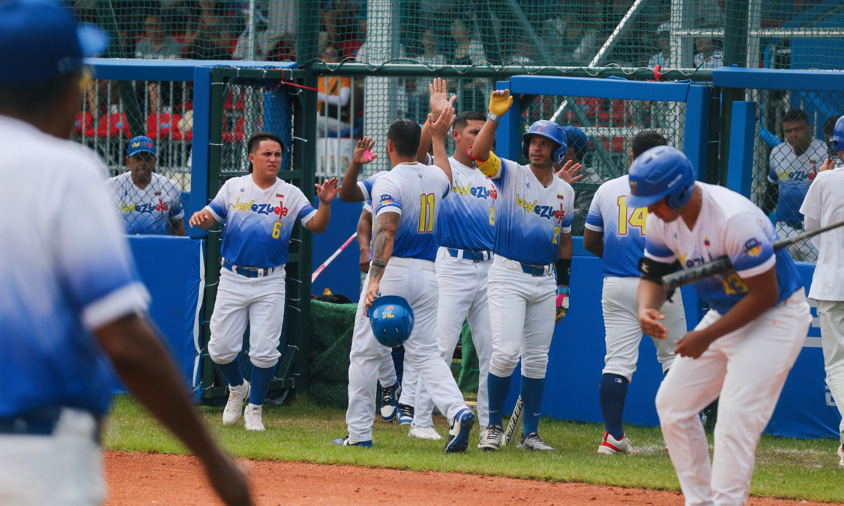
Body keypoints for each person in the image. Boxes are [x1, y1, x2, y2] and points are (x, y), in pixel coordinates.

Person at [0, 1, 252, 504]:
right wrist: (212, 458)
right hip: (35, 457)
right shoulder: (65, 170)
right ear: (64, 86)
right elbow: (125, 342)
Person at [633, 146, 810, 505]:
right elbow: (654, 274)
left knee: (735, 417)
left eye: (656, 200)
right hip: (726, 309)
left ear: (680, 191)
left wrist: (705, 336)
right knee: (673, 404)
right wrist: (645, 308)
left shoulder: (733, 219)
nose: (650, 208)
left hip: (775, 315)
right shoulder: (661, 220)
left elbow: (764, 295)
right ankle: (699, 500)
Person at [336, 108, 477, 452]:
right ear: (419, 146)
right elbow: (347, 193)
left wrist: (374, 282)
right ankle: (457, 411)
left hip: (392, 272)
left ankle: (358, 434)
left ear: (389, 146)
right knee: (427, 354)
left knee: (365, 355)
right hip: (428, 275)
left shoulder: (388, 180)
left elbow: (386, 228)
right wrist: (439, 137)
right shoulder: (434, 177)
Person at [190, 132, 339, 431]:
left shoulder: (292, 193)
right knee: (219, 348)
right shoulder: (234, 187)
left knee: (264, 350)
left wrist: (324, 204)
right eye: (267, 154)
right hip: (232, 276)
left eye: (278, 154)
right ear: (252, 157)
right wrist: (201, 218)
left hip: (270, 280)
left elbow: (318, 227)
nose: (273, 159)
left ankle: (255, 407)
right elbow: (211, 215)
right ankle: (237, 388)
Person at [469, 91, 575, 452]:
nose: (537, 148)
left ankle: (530, 434)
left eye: (546, 144)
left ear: (557, 151)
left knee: (537, 358)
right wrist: (494, 117)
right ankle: (493, 427)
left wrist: (565, 286)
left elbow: (564, 241)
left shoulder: (566, 192)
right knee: (505, 353)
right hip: (507, 272)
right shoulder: (511, 173)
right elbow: (478, 154)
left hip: (545, 280)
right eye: (533, 141)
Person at [583, 131, 687, 455]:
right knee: (674, 358)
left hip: (616, 284)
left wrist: (619, 261)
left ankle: (612, 437)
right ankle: (680, 439)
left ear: (631, 154)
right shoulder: (674, 190)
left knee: (617, 362)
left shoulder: (607, 189)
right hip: (661, 284)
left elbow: (590, 241)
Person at [409, 79, 495, 445]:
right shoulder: (440, 167)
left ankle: (489, 427)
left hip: (490, 268)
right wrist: (435, 118)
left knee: (495, 349)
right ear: (457, 135)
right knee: (440, 345)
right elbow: (415, 154)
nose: (481, 139)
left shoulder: (494, 175)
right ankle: (421, 419)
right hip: (452, 263)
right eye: (474, 132)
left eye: (485, 133)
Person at [800, 115, 844, 468]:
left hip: (833, 284)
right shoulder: (827, 180)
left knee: (839, 366)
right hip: (832, 284)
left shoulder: (826, 180)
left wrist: (825, 180)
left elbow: (809, 228)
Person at [762, 109, 827, 261]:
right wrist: (762, 213)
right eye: (788, 130)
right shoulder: (777, 153)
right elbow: (773, 188)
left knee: (816, 273)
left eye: (798, 129)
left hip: (816, 228)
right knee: (783, 274)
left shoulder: (824, 152)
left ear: (810, 128)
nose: (793, 134)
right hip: (784, 227)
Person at [107, 136, 186, 236]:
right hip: (123, 247)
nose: (142, 163)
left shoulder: (169, 186)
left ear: (155, 161)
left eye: (147, 158)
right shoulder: (112, 186)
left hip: (156, 247)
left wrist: (177, 249)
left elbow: (177, 223)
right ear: (128, 161)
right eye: (137, 158)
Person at [316, 44, 352, 137]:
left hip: (340, 120)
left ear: (339, 59)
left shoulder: (343, 78)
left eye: (332, 54)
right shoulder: (319, 79)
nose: (327, 58)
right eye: (324, 54)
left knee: (315, 122)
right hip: (319, 115)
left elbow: (343, 101)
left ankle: (312, 151)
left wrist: (318, 95)